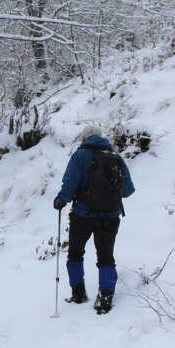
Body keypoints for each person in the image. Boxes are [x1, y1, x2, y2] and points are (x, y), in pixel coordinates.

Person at [52, 125, 134, 314]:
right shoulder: (116, 158)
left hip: (82, 215)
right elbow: (128, 190)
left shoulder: (80, 156)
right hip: (111, 217)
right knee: (106, 257)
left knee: (75, 253)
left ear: (83, 139)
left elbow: (70, 184)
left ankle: (78, 293)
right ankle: (105, 297)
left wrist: (61, 200)